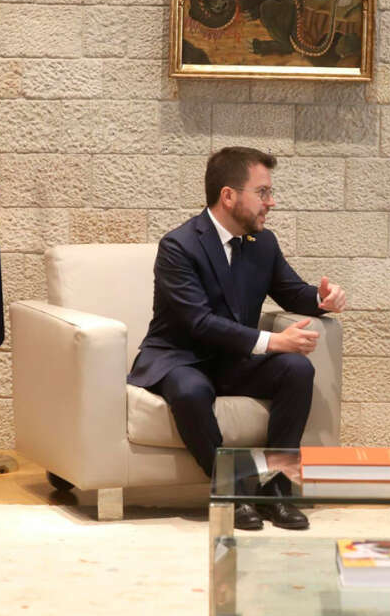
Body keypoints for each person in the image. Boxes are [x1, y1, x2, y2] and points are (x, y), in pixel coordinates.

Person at [128, 146, 346, 531]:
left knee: (296, 370)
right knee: (190, 390)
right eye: (262, 193)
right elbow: (198, 322)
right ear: (228, 195)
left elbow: (292, 291)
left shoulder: (263, 244)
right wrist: (271, 341)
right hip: (182, 357)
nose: (271, 202)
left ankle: (277, 489)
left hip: (233, 361)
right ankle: (231, 492)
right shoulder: (179, 246)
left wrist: (321, 298)